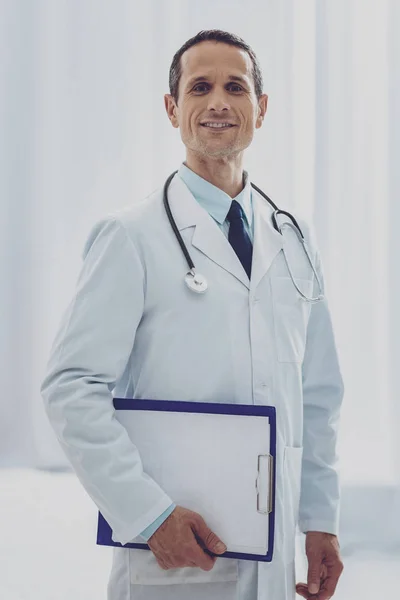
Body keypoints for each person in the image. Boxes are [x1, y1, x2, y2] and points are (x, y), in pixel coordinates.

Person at [40, 29, 345, 600]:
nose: (219, 103)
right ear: (172, 107)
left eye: (236, 87)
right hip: (174, 555)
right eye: (199, 87)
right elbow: (70, 386)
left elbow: (319, 394)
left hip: (274, 552)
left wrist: (320, 518)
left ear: (262, 108)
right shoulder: (130, 237)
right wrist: (149, 515)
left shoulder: (294, 239)